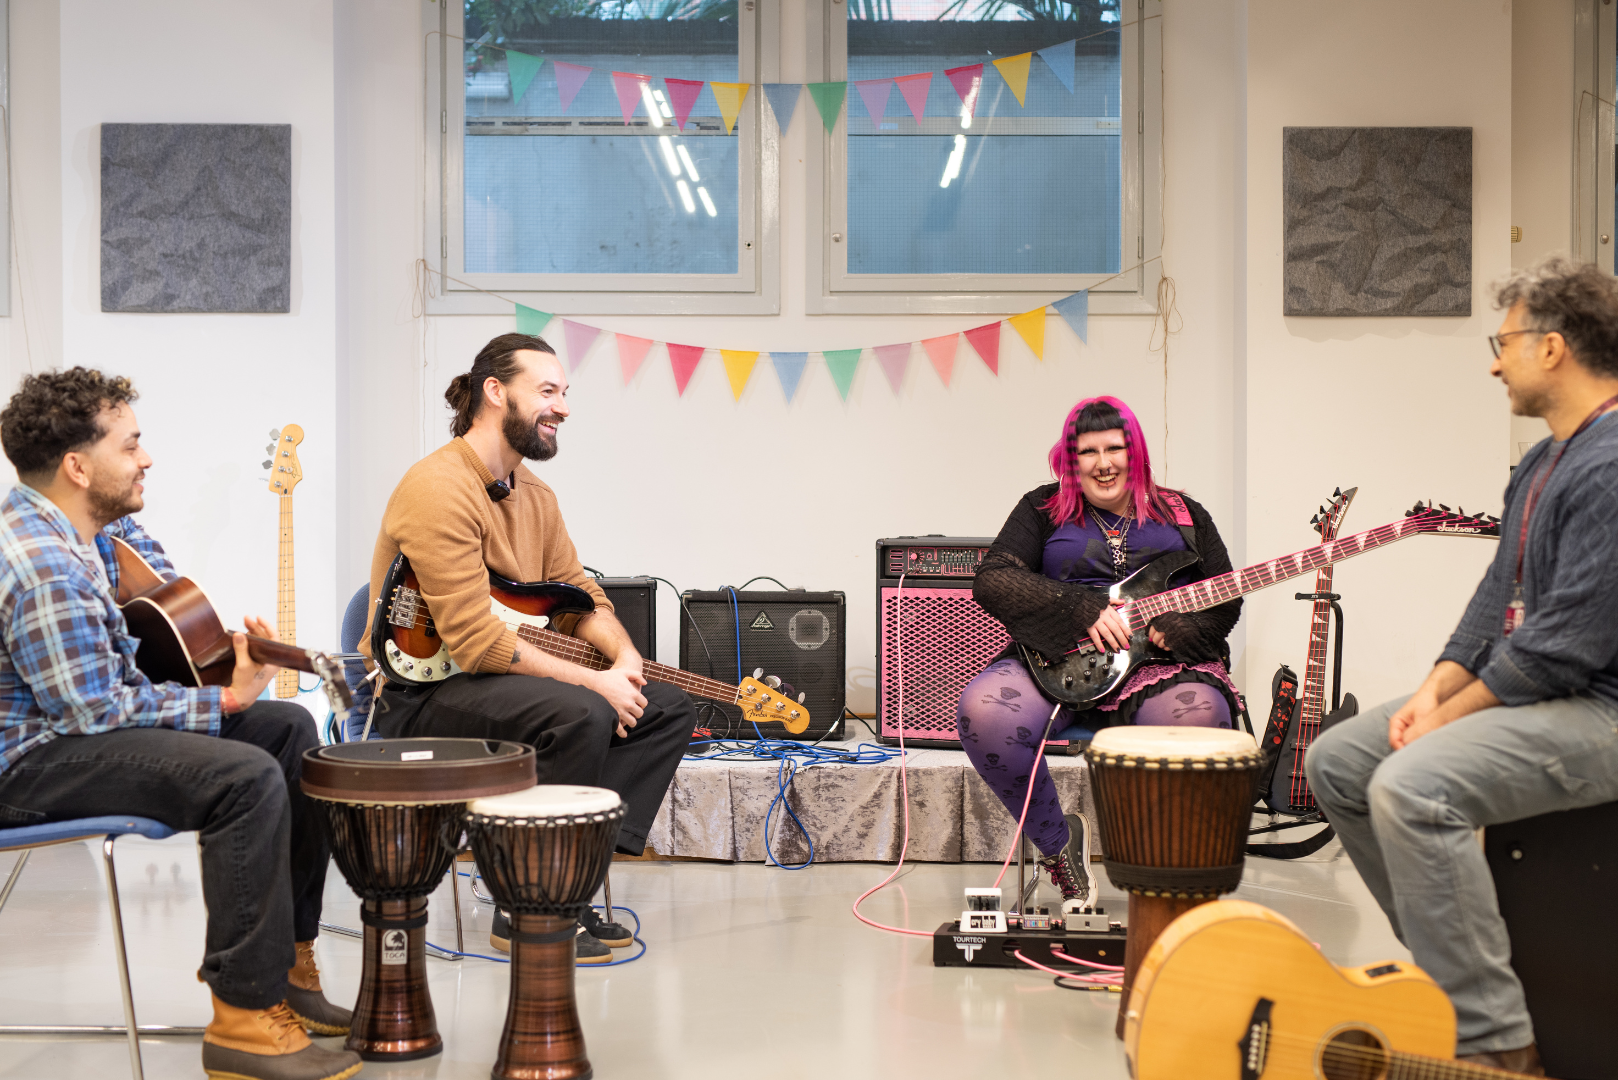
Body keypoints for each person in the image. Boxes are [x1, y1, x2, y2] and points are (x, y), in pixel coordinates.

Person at [0, 369, 361, 1080]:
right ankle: (243, 1019)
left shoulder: (98, 530)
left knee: (288, 729)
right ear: (77, 466)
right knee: (245, 776)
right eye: (131, 445)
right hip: (28, 765)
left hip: (77, 731)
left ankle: (288, 962)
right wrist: (224, 701)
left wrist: (228, 664)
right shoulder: (41, 563)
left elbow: (166, 601)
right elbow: (94, 712)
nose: (147, 458)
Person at [1306, 258, 1618, 1076]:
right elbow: (1495, 600)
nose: (1492, 360)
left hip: (1602, 711)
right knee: (1339, 761)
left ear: (1553, 347)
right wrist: (1436, 687)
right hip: (1545, 695)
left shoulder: (1612, 463)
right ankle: (1454, 970)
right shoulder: (1546, 458)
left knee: (1412, 785)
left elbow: (1566, 645)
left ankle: (1494, 1046)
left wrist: (1450, 717)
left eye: (1503, 340)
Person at [360, 333, 694, 961]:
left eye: (565, 393)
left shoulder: (535, 495)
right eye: (548, 391)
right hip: (423, 694)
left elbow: (578, 597)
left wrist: (622, 660)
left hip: (488, 682)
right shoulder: (438, 486)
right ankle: (526, 909)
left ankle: (569, 886)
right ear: (495, 392)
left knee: (665, 708)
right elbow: (475, 640)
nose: (563, 406)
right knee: (585, 710)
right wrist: (595, 683)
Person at [962, 395, 1242, 901]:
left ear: (1135, 453)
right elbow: (993, 580)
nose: (1103, 463)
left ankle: (1164, 867)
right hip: (1060, 656)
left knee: (1197, 722)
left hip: (1156, 666)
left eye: (1114, 447)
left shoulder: (1184, 513)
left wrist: (1185, 629)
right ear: (1071, 461)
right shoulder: (1041, 508)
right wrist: (1080, 608)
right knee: (986, 714)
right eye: (1087, 451)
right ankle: (1056, 844)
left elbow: (1225, 601)